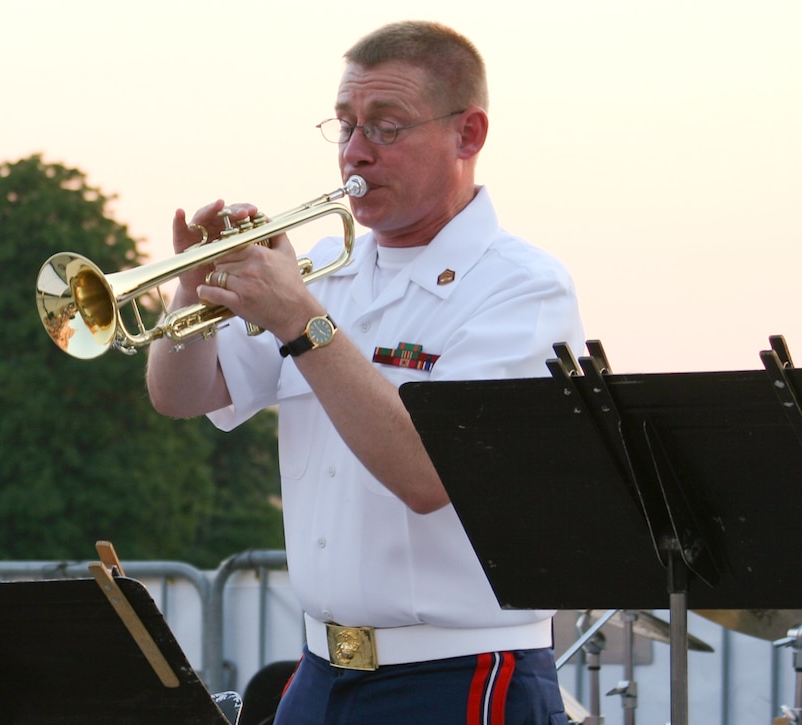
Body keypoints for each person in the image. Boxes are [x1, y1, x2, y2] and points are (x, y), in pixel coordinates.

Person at [146, 20, 584, 725]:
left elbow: (426, 476)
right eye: (346, 125)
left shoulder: (523, 288)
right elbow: (182, 394)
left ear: (467, 135)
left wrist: (300, 321)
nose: (355, 152)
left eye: (385, 127)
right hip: (320, 672)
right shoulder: (328, 267)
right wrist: (190, 290)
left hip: (458, 670)